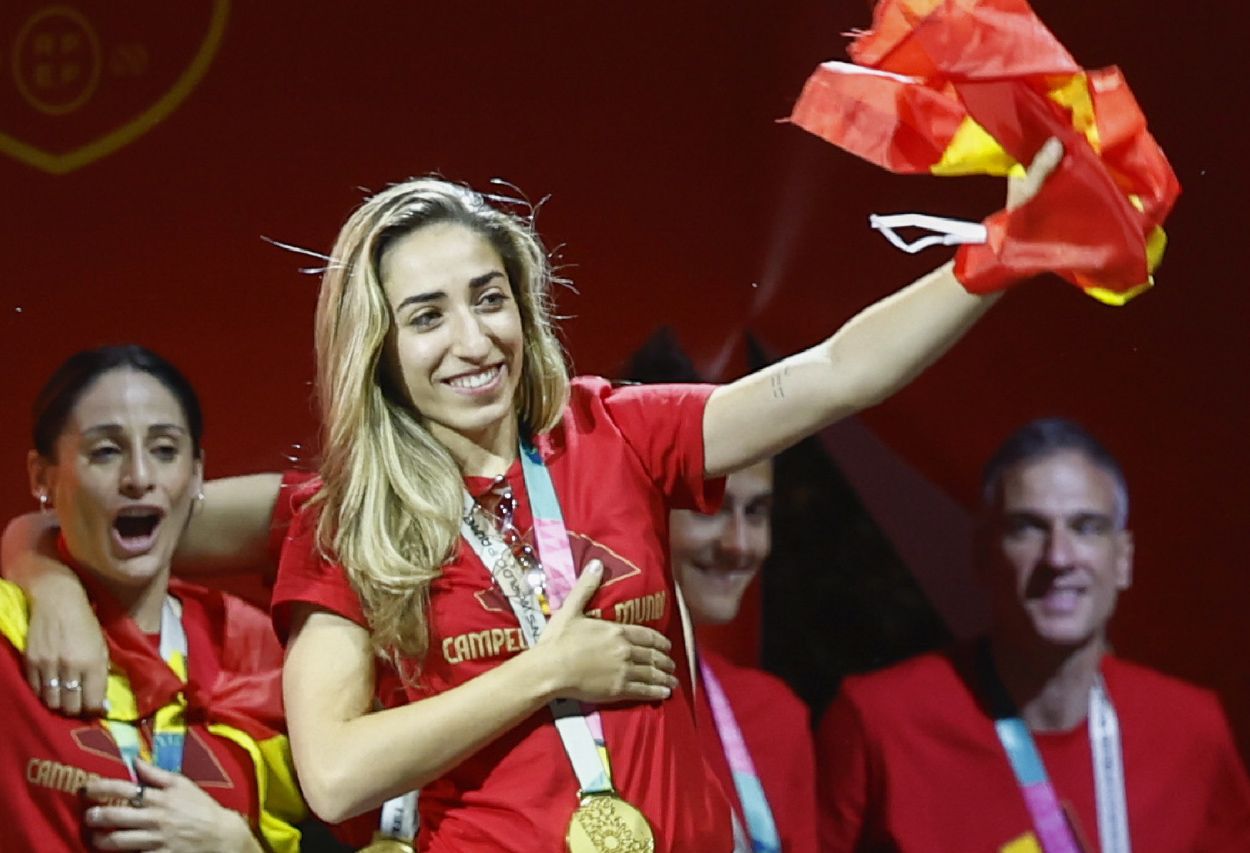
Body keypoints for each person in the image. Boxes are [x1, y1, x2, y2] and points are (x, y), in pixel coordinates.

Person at [5, 138, 1063, 851]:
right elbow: (331, 776)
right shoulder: (348, 516)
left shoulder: (616, 432)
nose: (471, 341)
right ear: (377, 350)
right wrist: (544, 671)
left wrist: (996, 258)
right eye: (425, 317)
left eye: (488, 298)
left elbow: (830, 374)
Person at [815, 417, 1250, 852]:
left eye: (1086, 527)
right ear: (983, 554)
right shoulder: (880, 722)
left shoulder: (1191, 729)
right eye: (1028, 527)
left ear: (1123, 559)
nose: (1058, 557)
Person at [0, 345, 305, 851]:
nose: (139, 477)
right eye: (105, 451)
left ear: (197, 470)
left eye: (165, 450)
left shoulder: (256, 658)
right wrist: (43, 575)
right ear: (41, 476)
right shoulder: (12, 635)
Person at [625, 331, 819, 853]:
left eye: (755, 512)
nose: (739, 545)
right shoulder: (556, 701)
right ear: (636, 508)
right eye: (711, 508)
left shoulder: (774, 718)